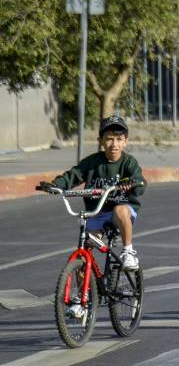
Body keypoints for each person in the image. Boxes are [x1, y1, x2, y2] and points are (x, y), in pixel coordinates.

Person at [42, 116, 146, 280]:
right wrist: (56, 185)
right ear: (101, 140)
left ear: (125, 141)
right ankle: (80, 300)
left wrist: (133, 184)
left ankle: (128, 251)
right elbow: (73, 175)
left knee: (119, 209)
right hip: (96, 213)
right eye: (109, 139)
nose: (114, 144)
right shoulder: (92, 162)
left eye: (119, 139)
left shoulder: (128, 162)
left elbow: (140, 184)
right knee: (83, 253)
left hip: (121, 213)